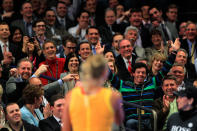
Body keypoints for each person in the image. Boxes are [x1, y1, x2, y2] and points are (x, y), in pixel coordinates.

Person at [62, 54, 124, 131]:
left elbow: (66, 127)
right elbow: (118, 121)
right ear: (105, 73)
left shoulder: (71, 95)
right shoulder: (113, 96)